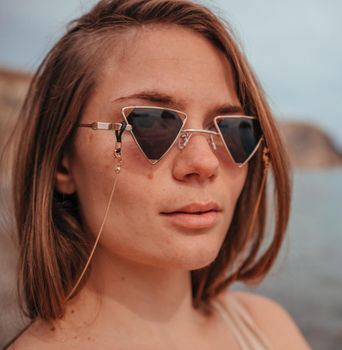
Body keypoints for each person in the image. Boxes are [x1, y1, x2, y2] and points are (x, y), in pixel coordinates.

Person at [4, 0, 310, 348]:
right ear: (63, 161)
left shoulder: (268, 328)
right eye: (150, 124)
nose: (205, 162)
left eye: (232, 129)